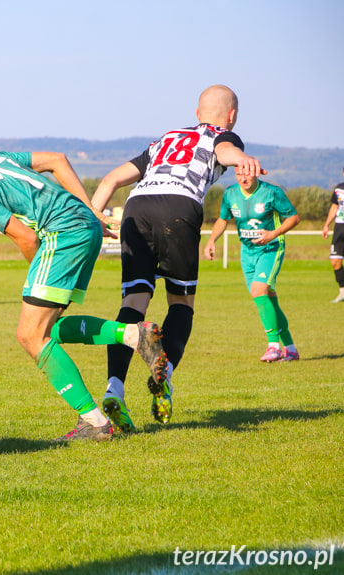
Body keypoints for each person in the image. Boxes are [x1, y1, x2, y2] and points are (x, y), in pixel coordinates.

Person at [0, 138, 168, 442]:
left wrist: (37, 276)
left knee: (30, 335)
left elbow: (26, 238)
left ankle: (94, 422)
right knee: (48, 331)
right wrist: (91, 211)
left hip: (62, 234)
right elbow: (56, 159)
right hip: (84, 226)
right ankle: (135, 335)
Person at [91, 85, 265, 430]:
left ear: (197, 113)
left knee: (135, 301)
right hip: (179, 205)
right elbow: (226, 150)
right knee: (181, 303)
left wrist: (94, 215)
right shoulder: (222, 134)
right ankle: (164, 376)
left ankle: (114, 387)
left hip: (136, 206)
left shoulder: (165, 139)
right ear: (231, 116)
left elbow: (112, 178)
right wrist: (241, 159)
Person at [204, 170, 300, 361]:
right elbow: (223, 219)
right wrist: (211, 240)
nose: (243, 178)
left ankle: (273, 346)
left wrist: (273, 234)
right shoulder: (230, 193)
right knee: (267, 298)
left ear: (256, 173)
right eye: (239, 174)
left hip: (271, 248)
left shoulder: (271, 192)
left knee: (258, 290)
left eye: (247, 174)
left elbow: (294, 218)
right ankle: (290, 348)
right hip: (247, 252)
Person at [321, 169, 344, 303]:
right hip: (340, 228)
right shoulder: (339, 189)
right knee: (335, 261)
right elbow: (335, 207)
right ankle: (342, 292)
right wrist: (326, 225)